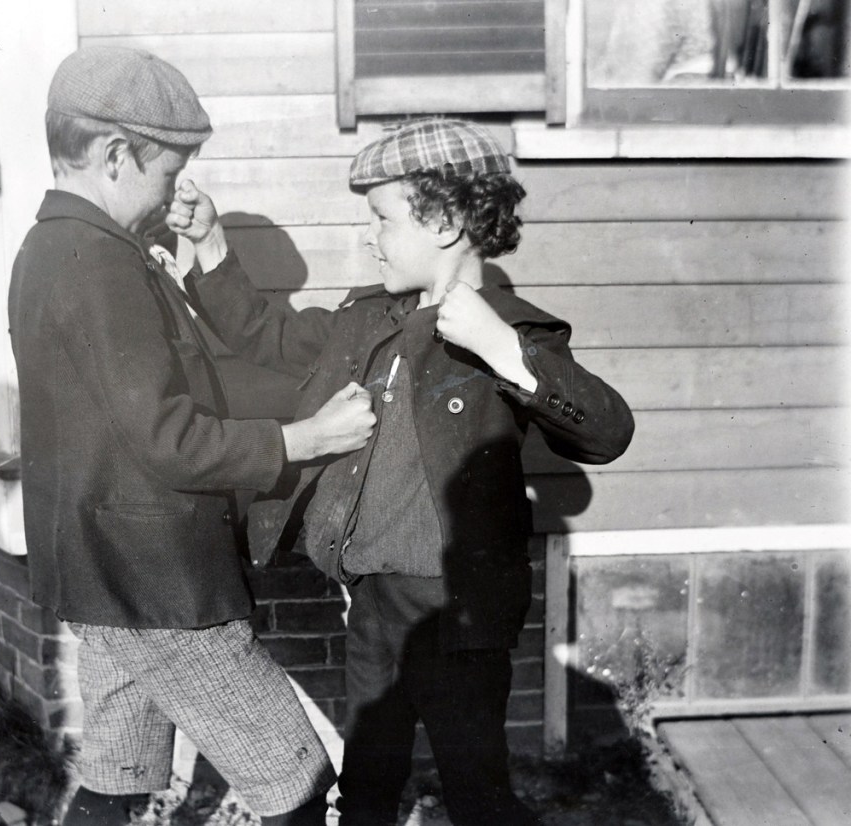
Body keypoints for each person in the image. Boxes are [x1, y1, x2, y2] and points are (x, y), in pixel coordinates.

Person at [167, 118, 636, 825]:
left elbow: (607, 431)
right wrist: (207, 244)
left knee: (476, 790)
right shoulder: (367, 319)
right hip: (373, 601)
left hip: (456, 613)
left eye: (382, 219)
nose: (368, 236)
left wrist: (504, 349)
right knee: (367, 785)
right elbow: (267, 336)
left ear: (444, 222)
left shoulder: (510, 331)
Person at [8, 46, 377, 826]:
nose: (173, 193)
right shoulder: (98, 265)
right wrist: (303, 438)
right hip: (159, 583)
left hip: (104, 574)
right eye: (168, 174)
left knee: (118, 776)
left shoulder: (55, 249)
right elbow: (169, 435)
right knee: (296, 777)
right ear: (115, 156)